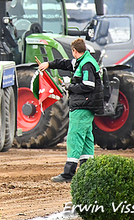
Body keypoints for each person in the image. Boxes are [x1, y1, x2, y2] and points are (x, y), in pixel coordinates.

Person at [38, 38, 103, 183]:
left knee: (74, 137)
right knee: (86, 139)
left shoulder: (86, 65)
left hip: (82, 107)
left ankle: (68, 173)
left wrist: (68, 86)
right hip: (87, 106)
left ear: (74, 50)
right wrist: (49, 64)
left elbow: (88, 85)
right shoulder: (82, 61)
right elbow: (66, 63)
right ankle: (88, 172)